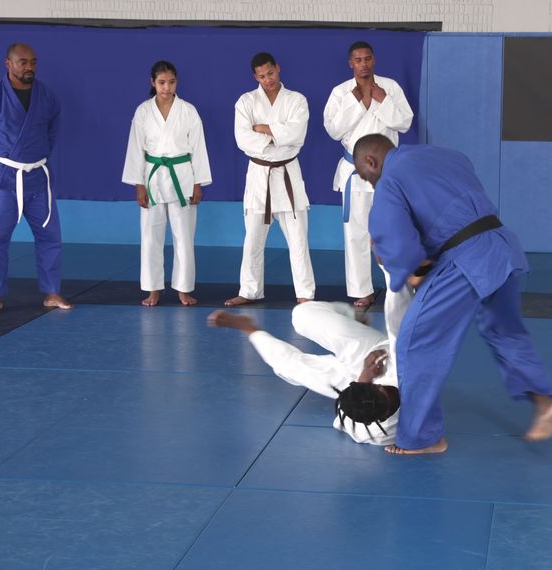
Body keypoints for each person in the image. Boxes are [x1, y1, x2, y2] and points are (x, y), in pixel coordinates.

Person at [353, 134, 552, 456]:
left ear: (370, 161)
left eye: (368, 178)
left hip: (467, 258)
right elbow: (445, 208)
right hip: (503, 244)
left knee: (414, 340)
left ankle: (424, 438)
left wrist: (400, 267)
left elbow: (399, 245)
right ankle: (545, 401)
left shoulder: (390, 179)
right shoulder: (444, 153)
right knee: (504, 332)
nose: (371, 185)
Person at [207, 279, 413, 445]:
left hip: (352, 382)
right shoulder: (405, 371)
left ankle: (249, 328)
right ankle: (351, 317)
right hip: (377, 354)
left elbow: (353, 406)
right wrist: (394, 268)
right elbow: (399, 318)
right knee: (303, 314)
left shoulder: (369, 428)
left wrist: (363, 377)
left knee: (294, 365)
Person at [0, 43, 74, 315]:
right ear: (8, 64)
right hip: (4, 175)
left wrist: (34, 158)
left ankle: (51, 292)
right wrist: (0, 162)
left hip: (38, 175)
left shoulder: (47, 96)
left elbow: (52, 133)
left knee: (50, 236)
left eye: (33, 62)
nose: (29, 67)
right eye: (23, 62)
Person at [323, 41, 413, 308]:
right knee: (356, 234)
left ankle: (397, 288)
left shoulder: (391, 88)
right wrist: (357, 102)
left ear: (374, 60)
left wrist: (383, 101)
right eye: (358, 60)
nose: (363, 64)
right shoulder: (341, 93)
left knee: (392, 232)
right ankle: (362, 290)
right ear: (351, 63)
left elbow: (404, 123)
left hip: (387, 172)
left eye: (367, 59)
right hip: (355, 172)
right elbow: (333, 130)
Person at [225, 53, 315, 307]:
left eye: (271, 74)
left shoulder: (297, 100)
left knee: (298, 239)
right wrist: (278, 134)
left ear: (278, 68)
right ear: (256, 76)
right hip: (259, 175)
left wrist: (263, 128)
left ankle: (305, 293)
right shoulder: (246, 102)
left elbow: (297, 135)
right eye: (262, 76)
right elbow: (243, 140)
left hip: (287, 174)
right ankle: (249, 290)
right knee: (252, 238)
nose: (268, 80)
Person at [122, 61, 212, 307]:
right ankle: (153, 289)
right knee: (151, 237)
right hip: (153, 176)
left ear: (176, 82)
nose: (166, 87)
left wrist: (198, 183)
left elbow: (199, 148)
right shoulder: (143, 111)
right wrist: (138, 184)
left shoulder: (188, 111)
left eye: (171, 82)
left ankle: (183, 288)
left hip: (182, 175)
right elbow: (135, 148)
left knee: (184, 236)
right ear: (153, 83)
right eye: (161, 82)